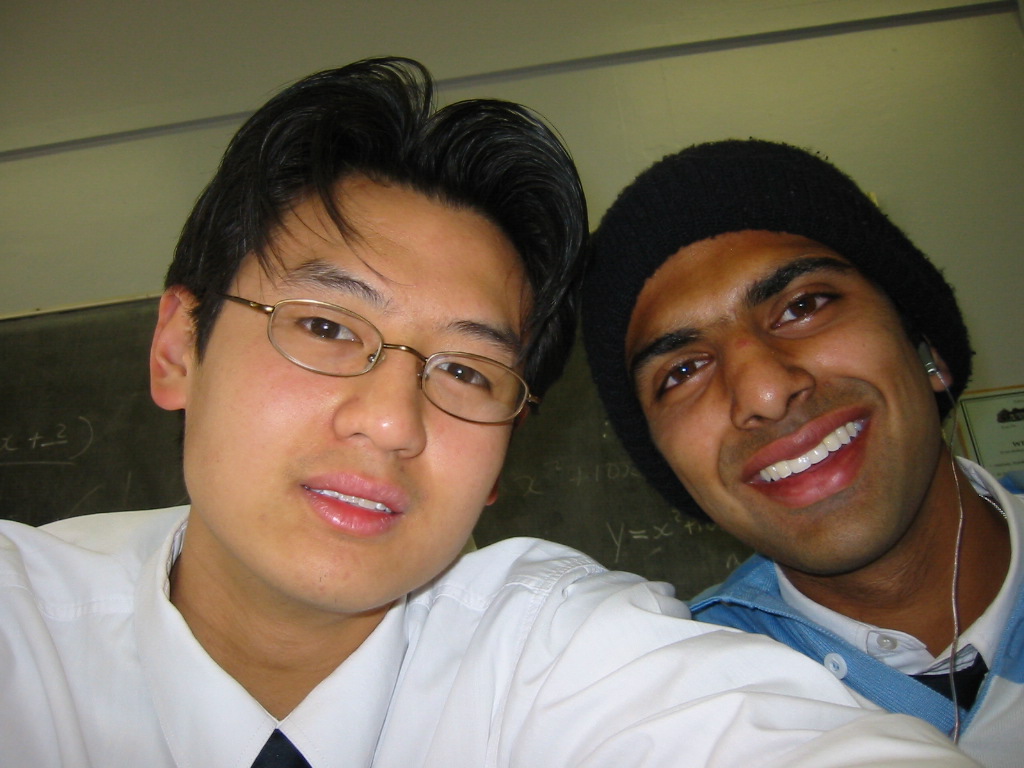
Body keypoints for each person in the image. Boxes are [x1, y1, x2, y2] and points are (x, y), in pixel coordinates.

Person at [0, 63, 976, 768]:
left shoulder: (556, 654)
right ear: (178, 347)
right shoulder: (24, 632)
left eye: (466, 372)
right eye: (326, 326)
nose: (393, 422)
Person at [581, 138, 1022, 767]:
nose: (763, 391)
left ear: (926, 347)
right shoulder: (680, 714)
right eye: (682, 371)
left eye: (802, 306)